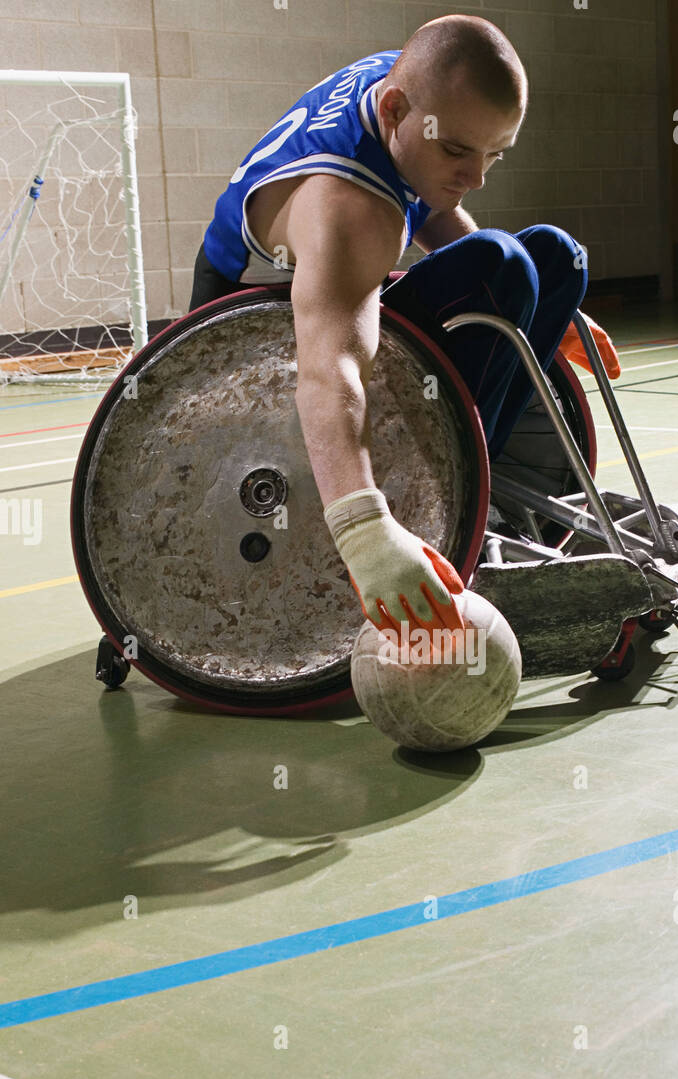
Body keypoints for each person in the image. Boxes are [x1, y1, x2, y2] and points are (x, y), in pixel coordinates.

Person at [191, 14, 618, 636]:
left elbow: (434, 205)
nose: (474, 177)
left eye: (493, 155)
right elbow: (326, 373)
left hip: (314, 290)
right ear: (394, 111)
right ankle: (445, 504)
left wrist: (544, 319)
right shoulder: (349, 209)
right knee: (502, 264)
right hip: (247, 347)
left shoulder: (402, 89)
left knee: (553, 257)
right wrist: (366, 539)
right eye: (457, 152)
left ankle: (474, 476)